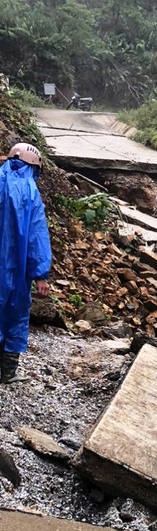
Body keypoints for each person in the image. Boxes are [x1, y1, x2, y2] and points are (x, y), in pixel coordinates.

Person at [0, 143, 52, 383]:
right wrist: (41, 274)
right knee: (16, 313)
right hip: (17, 269)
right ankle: (7, 373)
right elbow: (35, 235)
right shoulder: (30, 191)